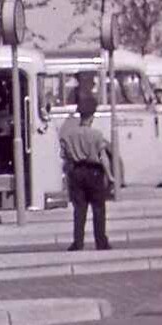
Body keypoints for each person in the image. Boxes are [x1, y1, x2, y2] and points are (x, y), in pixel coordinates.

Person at [59, 97, 113, 251]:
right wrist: (109, 175)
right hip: (94, 172)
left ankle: (78, 242)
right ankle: (101, 242)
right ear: (92, 117)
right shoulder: (96, 135)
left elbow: (64, 156)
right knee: (98, 208)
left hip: (76, 172)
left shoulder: (68, 135)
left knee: (79, 209)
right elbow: (103, 157)